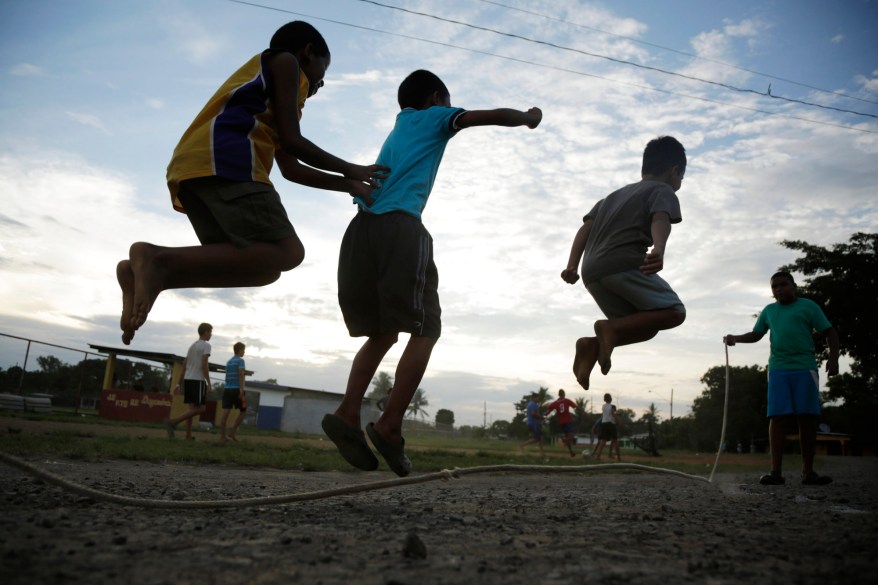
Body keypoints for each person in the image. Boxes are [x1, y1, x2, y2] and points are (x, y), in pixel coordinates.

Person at [322, 69, 541, 476]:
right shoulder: (434, 117)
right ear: (437, 97)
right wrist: (527, 117)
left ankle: (348, 411)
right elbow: (488, 116)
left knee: (384, 332)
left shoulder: (399, 127)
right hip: (400, 227)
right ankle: (388, 426)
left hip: (360, 232)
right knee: (427, 328)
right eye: (447, 101)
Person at [116, 21, 389, 345]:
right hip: (227, 161)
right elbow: (292, 141)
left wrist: (347, 185)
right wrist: (353, 170)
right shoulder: (285, 62)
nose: (322, 82)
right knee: (287, 251)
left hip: (194, 171)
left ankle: (150, 272)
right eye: (322, 69)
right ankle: (157, 259)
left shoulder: (272, 97)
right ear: (308, 53)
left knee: (263, 268)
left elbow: (291, 168)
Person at [561, 136, 687, 390]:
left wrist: (572, 265)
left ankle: (592, 345)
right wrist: (659, 249)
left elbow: (585, 229)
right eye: (681, 177)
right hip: (624, 263)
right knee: (673, 312)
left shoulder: (610, 198)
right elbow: (660, 219)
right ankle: (607, 329)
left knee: (645, 326)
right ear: (675, 172)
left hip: (592, 272)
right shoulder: (662, 191)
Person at [724, 271, 839, 486]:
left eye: (783, 285)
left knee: (806, 418)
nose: (778, 289)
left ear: (794, 286)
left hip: (805, 368)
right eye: (774, 287)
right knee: (777, 418)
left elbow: (830, 332)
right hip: (778, 369)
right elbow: (756, 334)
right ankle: (775, 473)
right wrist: (735, 338)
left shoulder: (808, 306)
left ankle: (808, 473)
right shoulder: (769, 311)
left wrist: (833, 359)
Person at [166, 323, 212, 440]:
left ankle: (188, 435)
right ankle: (174, 422)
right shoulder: (206, 346)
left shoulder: (191, 346)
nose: (211, 334)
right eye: (210, 332)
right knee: (201, 409)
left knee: (192, 409)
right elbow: (204, 365)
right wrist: (209, 382)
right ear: (205, 332)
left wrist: (178, 384)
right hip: (198, 379)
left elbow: (184, 365)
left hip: (188, 379)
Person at [219, 342, 248, 442]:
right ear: (239, 350)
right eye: (243, 350)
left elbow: (227, 376)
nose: (244, 352)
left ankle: (223, 436)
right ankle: (232, 433)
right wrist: (241, 390)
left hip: (227, 389)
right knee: (243, 411)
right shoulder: (241, 361)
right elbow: (241, 374)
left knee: (225, 413)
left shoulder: (229, 362)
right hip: (237, 390)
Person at [544, 389, 578, 457]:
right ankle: (564, 440)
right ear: (564, 394)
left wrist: (544, 414)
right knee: (570, 437)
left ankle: (571, 452)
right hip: (568, 421)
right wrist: (582, 412)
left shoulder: (555, 403)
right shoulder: (566, 400)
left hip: (561, 423)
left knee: (568, 437)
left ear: (558, 395)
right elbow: (575, 406)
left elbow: (547, 412)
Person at [592, 393, 620, 462]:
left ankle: (598, 456)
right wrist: (619, 421)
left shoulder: (603, 406)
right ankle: (619, 458)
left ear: (604, 399)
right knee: (615, 440)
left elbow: (606, 414)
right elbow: (613, 414)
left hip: (604, 424)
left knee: (603, 441)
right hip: (611, 424)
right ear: (611, 399)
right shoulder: (613, 406)